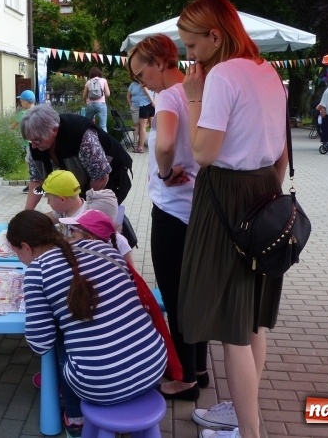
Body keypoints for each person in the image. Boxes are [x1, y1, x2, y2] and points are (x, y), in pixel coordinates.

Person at [177, 0, 288, 438]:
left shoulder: (221, 76)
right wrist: (269, 193)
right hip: (265, 192)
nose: (190, 55)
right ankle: (244, 416)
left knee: (232, 329)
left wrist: (192, 97)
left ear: (215, 36)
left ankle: (248, 430)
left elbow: (203, 153)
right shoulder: (268, 72)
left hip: (226, 196)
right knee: (252, 316)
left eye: (192, 45)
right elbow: (281, 152)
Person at [7, 210, 167, 438]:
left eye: (16, 253)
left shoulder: (37, 272)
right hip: (154, 365)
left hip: (98, 384)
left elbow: (40, 344)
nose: (19, 258)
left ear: (25, 246)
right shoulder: (102, 248)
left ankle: (75, 419)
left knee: (62, 337)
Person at [126, 33, 209, 401]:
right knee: (196, 292)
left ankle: (184, 378)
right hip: (202, 209)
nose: (140, 82)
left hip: (172, 209)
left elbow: (163, 144)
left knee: (176, 296)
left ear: (160, 62)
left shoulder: (169, 97)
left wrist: (162, 172)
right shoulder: (202, 91)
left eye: (140, 73)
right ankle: (200, 368)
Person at [20, 104, 133, 209]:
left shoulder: (80, 135)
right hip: (88, 183)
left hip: (112, 176)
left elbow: (101, 177)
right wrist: (27, 213)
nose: (33, 146)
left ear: (54, 130)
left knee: (100, 217)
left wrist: (82, 207)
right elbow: (36, 180)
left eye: (37, 141)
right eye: (30, 141)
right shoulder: (36, 142)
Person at [58, 209, 132, 265]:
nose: (70, 241)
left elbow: (131, 271)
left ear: (89, 238)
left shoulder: (119, 241)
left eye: (73, 237)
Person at [11, 89, 37, 193]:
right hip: (40, 143)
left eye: (21, 102)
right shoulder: (39, 111)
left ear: (26, 102)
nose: (21, 104)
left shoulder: (23, 114)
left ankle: (32, 184)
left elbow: (12, 127)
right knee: (38, 163)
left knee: (29, 163)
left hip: (29, 144)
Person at [126, 80, 155, 153]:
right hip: (137, 107)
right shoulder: (133, 84)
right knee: (138, 125)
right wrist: (131, 106)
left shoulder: (145, 82)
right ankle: (137, 144)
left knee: (144, 126)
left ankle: (141, 145)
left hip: (144, 105)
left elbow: (149, 92)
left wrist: (152, 101)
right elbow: (128, 96)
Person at [82, 67, 111, 132]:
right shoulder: (103, 80)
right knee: (103, 126)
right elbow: (108, 94)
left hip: (90, 105)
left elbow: (84, 96)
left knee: (87, 125)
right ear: (99, 73)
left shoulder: (88, 82)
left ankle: (88, 139)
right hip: (101, 104)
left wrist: (86, 102)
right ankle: (104, 141)